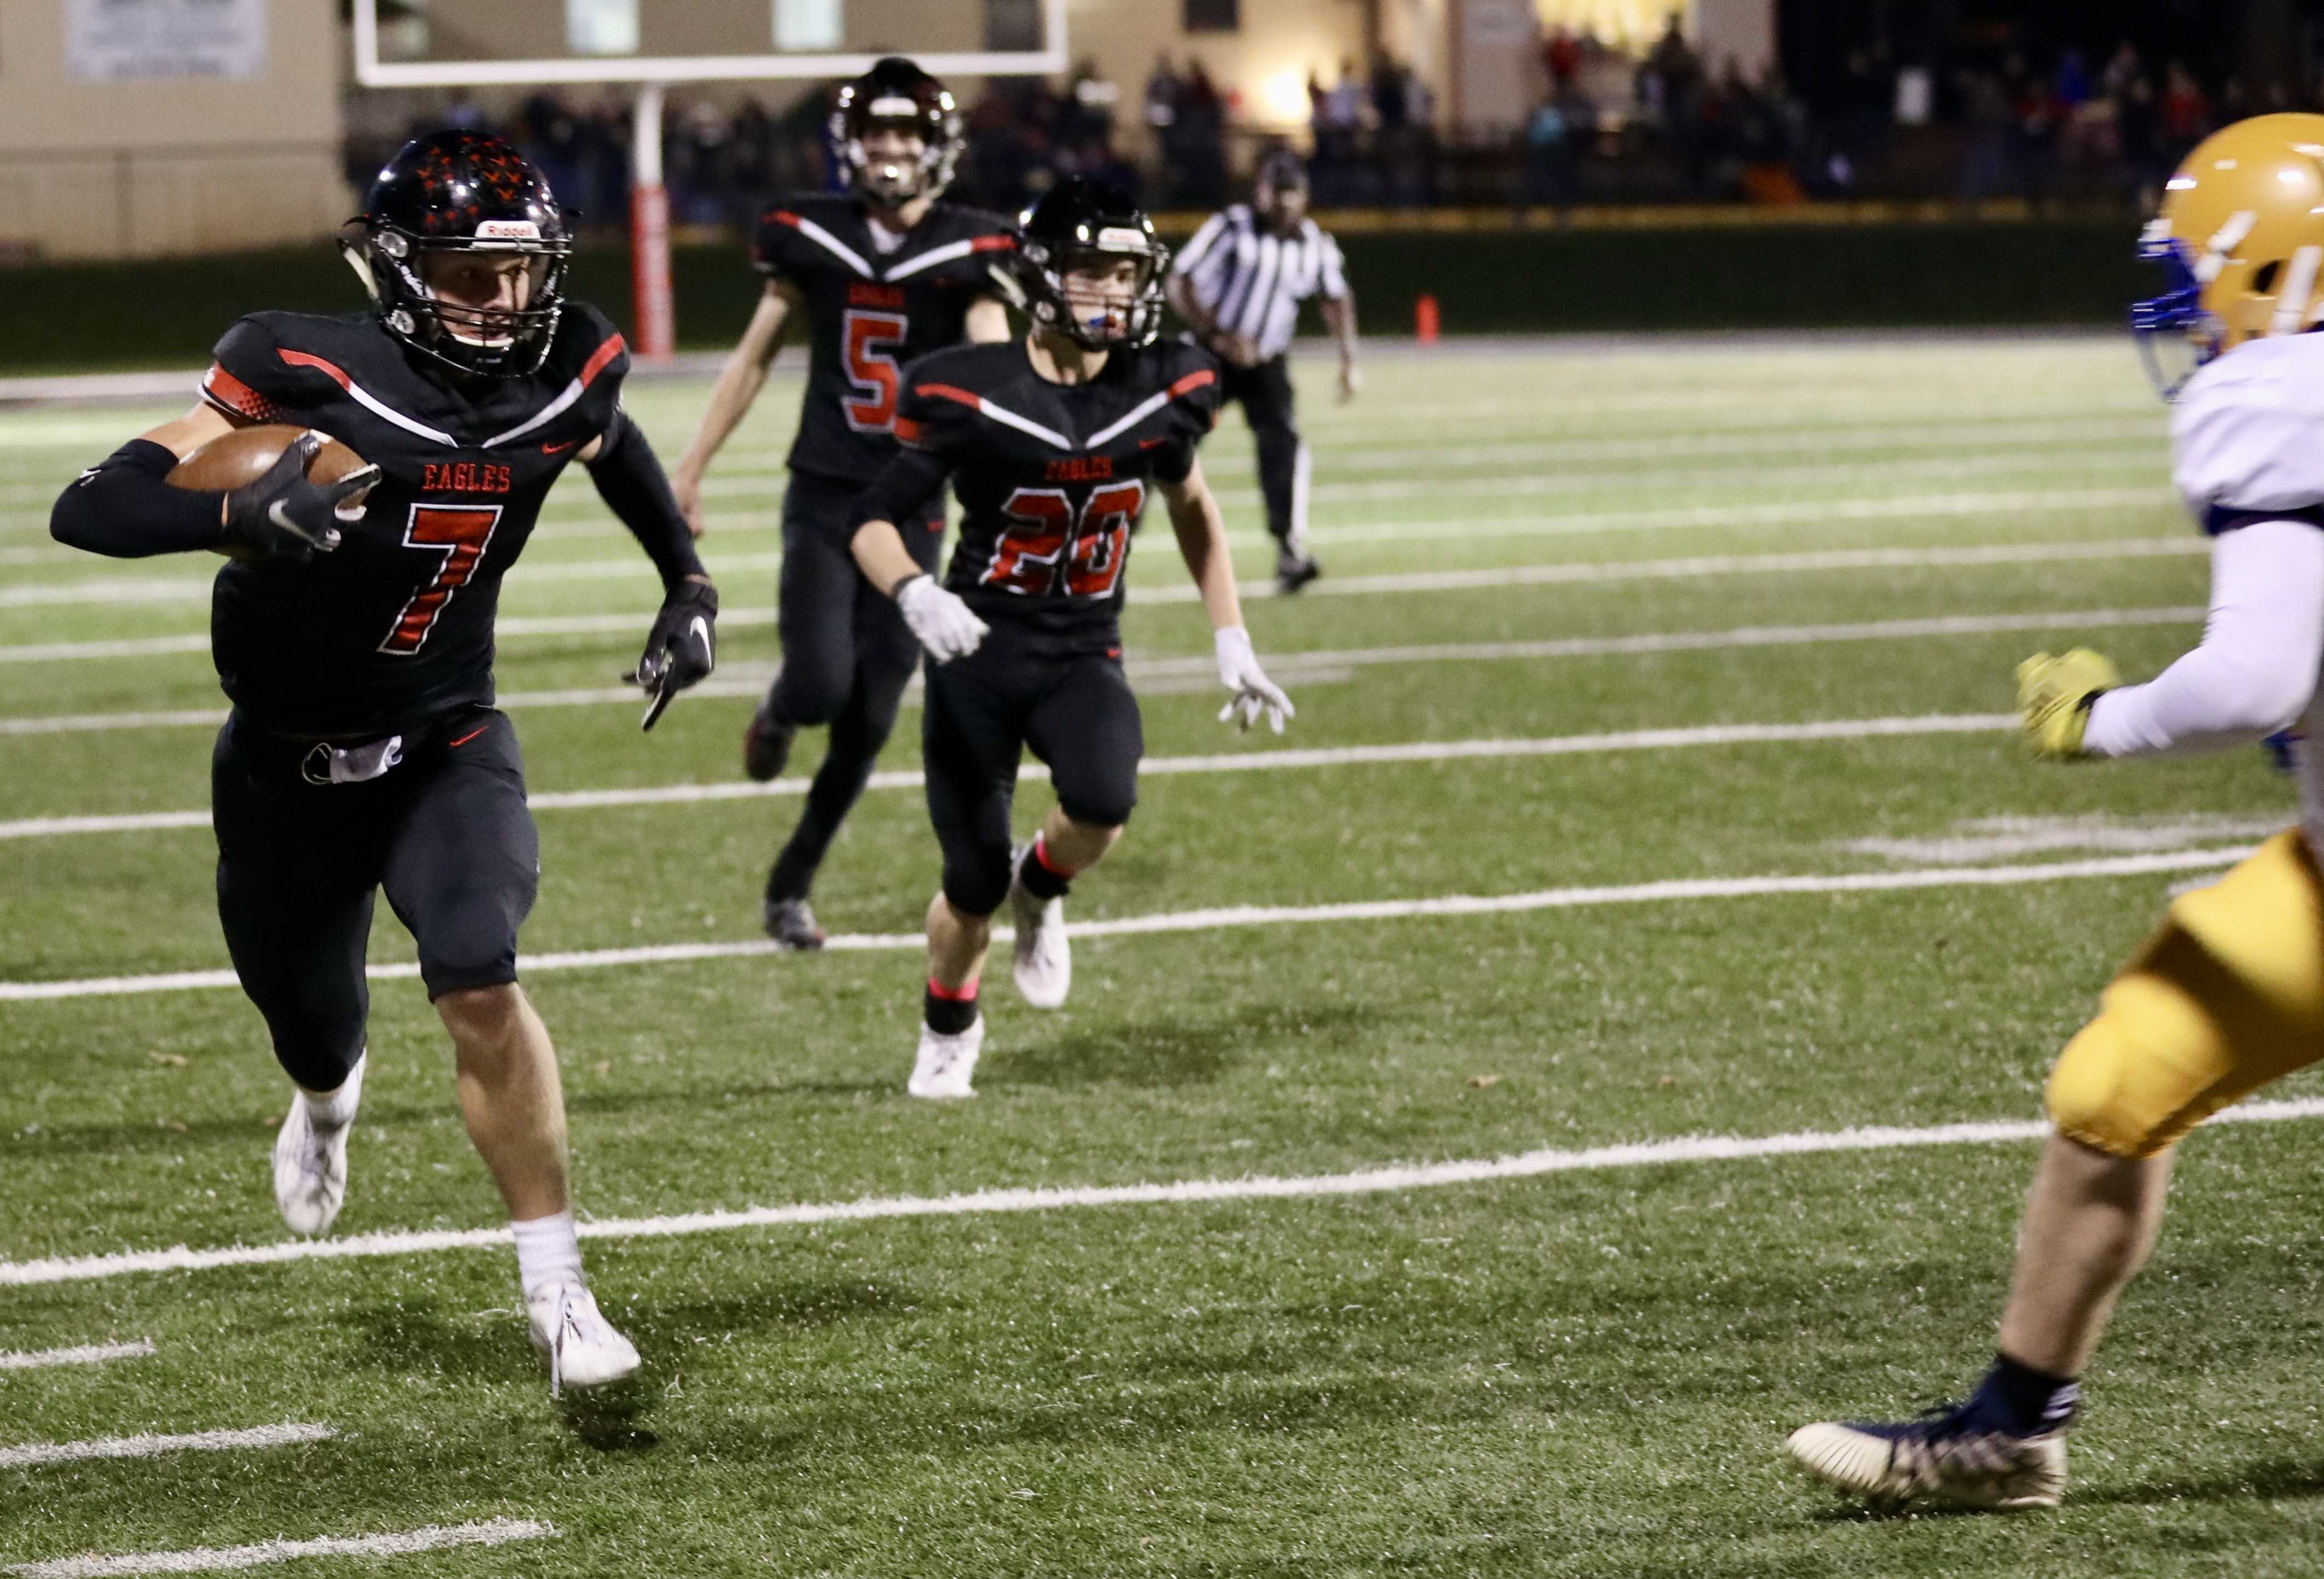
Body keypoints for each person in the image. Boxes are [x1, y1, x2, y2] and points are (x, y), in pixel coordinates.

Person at [47, 130, 719, 1395]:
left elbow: (607, 441)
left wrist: (685, 579)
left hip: (445, 736)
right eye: (469, 275)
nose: (503, 303)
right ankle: (325, 1099)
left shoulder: (567, 364)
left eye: (520, 276)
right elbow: (88, 504)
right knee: (311, 1020)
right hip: (282, 760)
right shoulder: (298, 368)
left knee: (477, 971)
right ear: (401, 273)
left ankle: (559, 1290)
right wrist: (232, 514)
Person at [1788, 114, 2324, 1509]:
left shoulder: (2282, 393)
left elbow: (2255, 676)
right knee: (2118, 1080)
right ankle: (2006, 1429)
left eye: (2200, 276)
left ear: (2283, 274)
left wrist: (2098, 717)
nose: (2186, 314)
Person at [845, 180, 1295, 1100]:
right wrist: (914, 589)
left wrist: (1231, 632)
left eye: (1126, 275)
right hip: (975, 649)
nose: (1113, 295)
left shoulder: (1164, 385)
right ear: (1041, 279)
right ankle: (948, 1021)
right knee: (965, 885)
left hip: (1083, 647)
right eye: (1091, 273)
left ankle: (1041, 889)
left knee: (1101, 801)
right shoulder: (967, 387)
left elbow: (1193, 504)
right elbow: (870, 522)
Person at [671, 57, 1014, 951]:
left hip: (911, 506)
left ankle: (791, 885)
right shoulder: (809, 234)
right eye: (877, 132)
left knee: (870, 722)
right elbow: (753, 356)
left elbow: (993, 368)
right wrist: (693, 463)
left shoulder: (968, 247)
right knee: (823, 686)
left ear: (937, 145)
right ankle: (781, 710)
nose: (891, 148)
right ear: (850, 143)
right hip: (826, 490)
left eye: (906, 133)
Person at [1164, 150, 1358, 595]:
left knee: (1284, 446)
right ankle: (1112, 535)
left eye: (1294, 193)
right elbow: (1181, 280)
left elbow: (1335, 297)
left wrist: (1349, 359)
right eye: (1278, 192)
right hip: (1211, 359)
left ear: (1305, 196)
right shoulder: (1231, 227)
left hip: (1267, 362)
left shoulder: (1315, 243)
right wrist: (1217, 334)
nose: (1285, 203)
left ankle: (1290, 550)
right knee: (1165, 442)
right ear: (1261, 191)